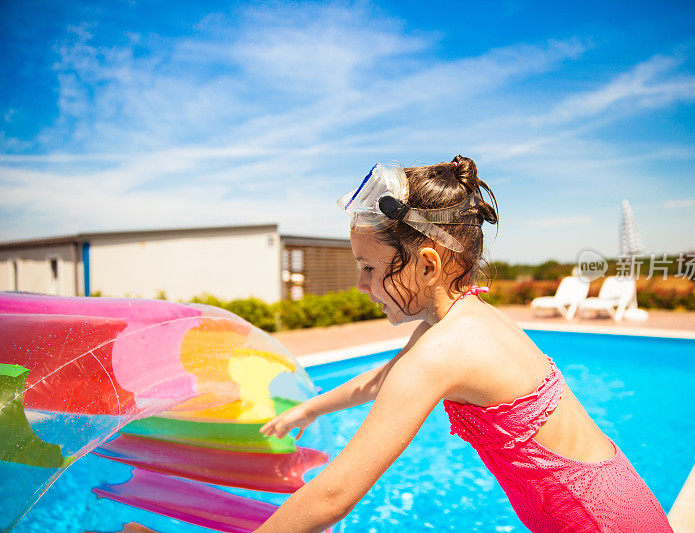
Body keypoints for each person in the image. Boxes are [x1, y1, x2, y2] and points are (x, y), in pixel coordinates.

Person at [255, 156, 672, 532]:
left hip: (597, 522)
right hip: (621, 502)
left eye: (369, 267)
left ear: (427, 264)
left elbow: (332, 497)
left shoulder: (442, 351)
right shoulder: (464, 317)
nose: (361, 285)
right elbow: (381, 380)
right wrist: (309, 409)